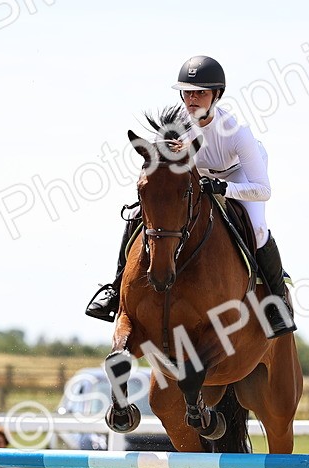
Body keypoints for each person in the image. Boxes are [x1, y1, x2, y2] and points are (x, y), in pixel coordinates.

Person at [85, 54, 297, 338]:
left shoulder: (237, 133)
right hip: (199, 178)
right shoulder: (176, 125)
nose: (193, 99)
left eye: (201, 93)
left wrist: (224, 189)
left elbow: (264, 190)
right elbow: (160, 174)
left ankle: (277, 301)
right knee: (139, 213)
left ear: (216, 96)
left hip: (238, 176)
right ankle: (114, 289)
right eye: (188, 92)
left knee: (257, 229)